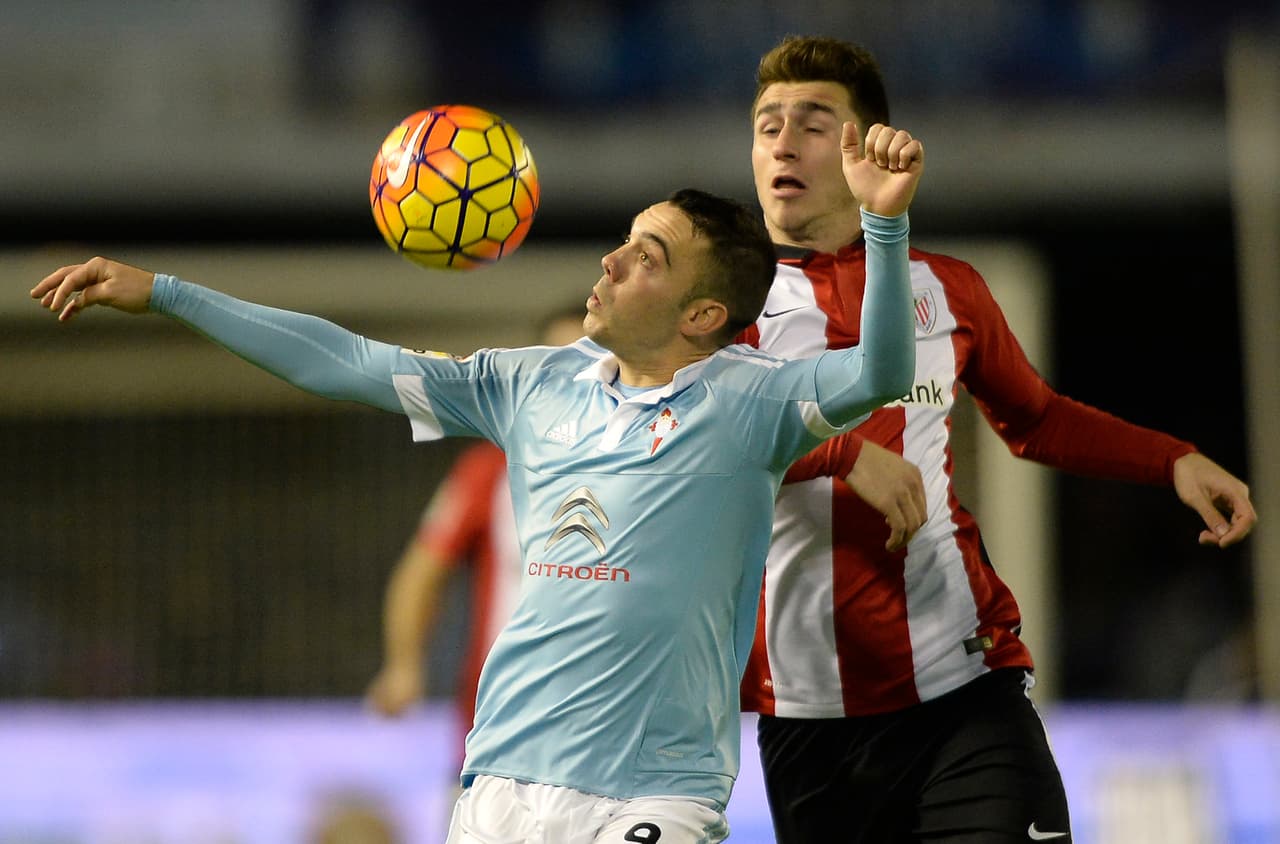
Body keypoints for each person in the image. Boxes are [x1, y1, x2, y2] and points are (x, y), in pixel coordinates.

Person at [31, 139, 922, 843]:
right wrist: (172, 294)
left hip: (654, 790)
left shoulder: (751, 399)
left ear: (700, 315)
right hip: (501, 780)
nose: (608, 265)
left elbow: (881, 371)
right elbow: (349, 363)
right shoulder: (529, 384)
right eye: (622, 243)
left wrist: (883, 226)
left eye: (645, 258)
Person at [739, 34, 1257, 843]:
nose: (781, 141)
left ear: (863, 145)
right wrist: (840, 451)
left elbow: (1035, 419)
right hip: (811, 720)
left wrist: (1172, 458)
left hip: (964, 689)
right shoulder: (724, 309)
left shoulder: (946, 289)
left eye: (810, 122)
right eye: (767, 124)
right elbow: (680, 435)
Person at [364, 306, 588, 760]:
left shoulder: (650, 462)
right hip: (498, 726)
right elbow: (424, 569)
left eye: (584, 366)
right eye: (555, 368)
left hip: (610, 724)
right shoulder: (489, 470)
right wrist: (404, 665)